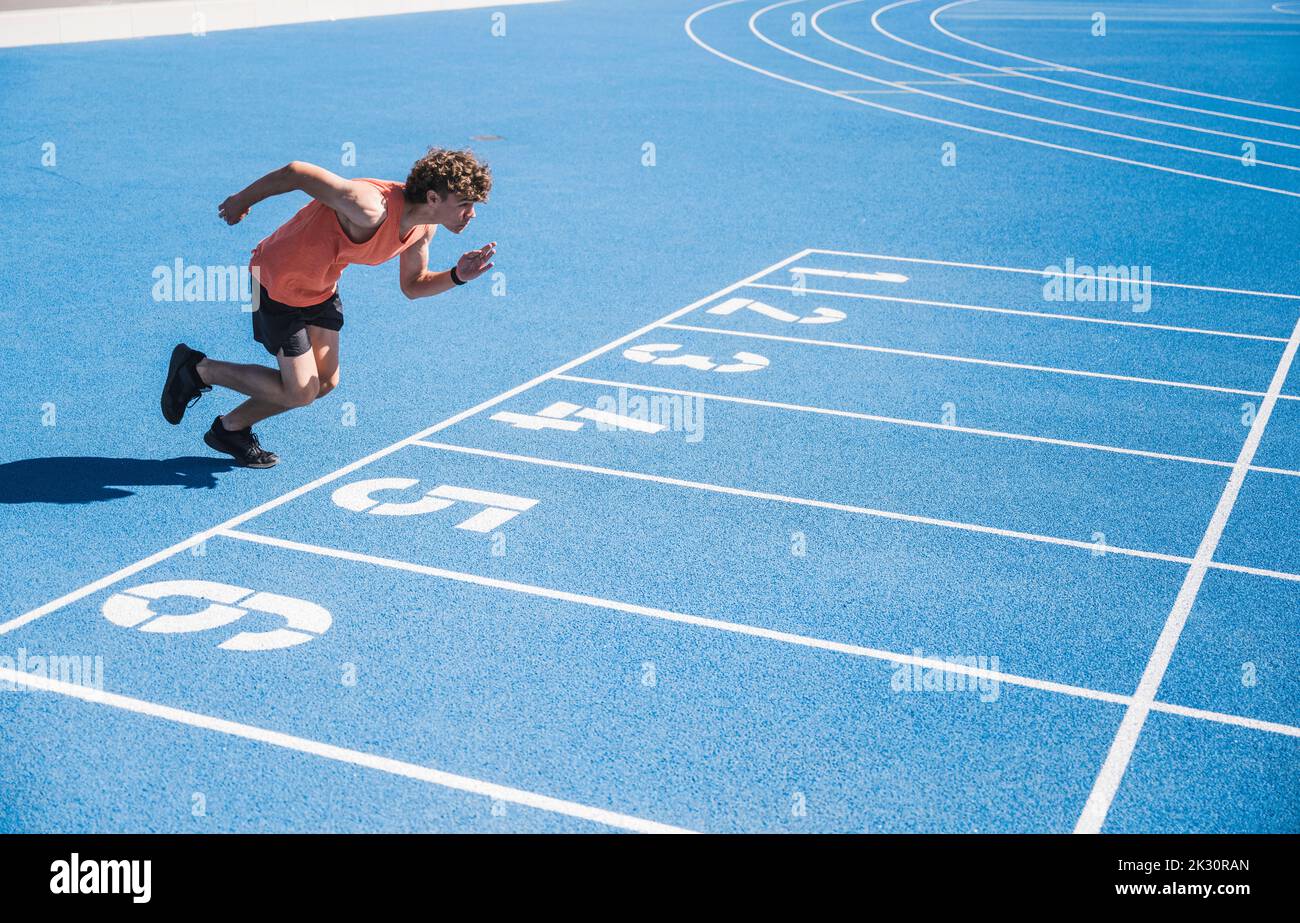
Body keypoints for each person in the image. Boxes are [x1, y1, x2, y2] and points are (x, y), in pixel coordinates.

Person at [160, 147, 496, 468]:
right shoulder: (370, 206)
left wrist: (457, 275)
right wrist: (242, 200)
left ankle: (229, 428)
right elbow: (297, 172)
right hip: (275, 283)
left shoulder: (424, 228)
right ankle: (198, 369)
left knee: (323, 383)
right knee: (301, 390)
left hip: (319, 288)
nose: (472, 213)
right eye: (465, 203)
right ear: (433, 198)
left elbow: (413, 285)